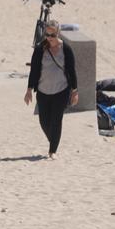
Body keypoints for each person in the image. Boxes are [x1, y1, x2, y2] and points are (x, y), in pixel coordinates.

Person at [24, 20, 78, 160]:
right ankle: (53, 140)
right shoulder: (40, 49)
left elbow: (71, 71)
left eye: (52, 34)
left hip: (61, 90)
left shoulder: (66, 49)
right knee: (43, 121)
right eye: (46, 34)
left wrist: (74, 91)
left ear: (58, 33)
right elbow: (34, 70)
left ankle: (52, 150)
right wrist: (29, 89)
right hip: (43, 90)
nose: (49, 37)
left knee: (56, 120)